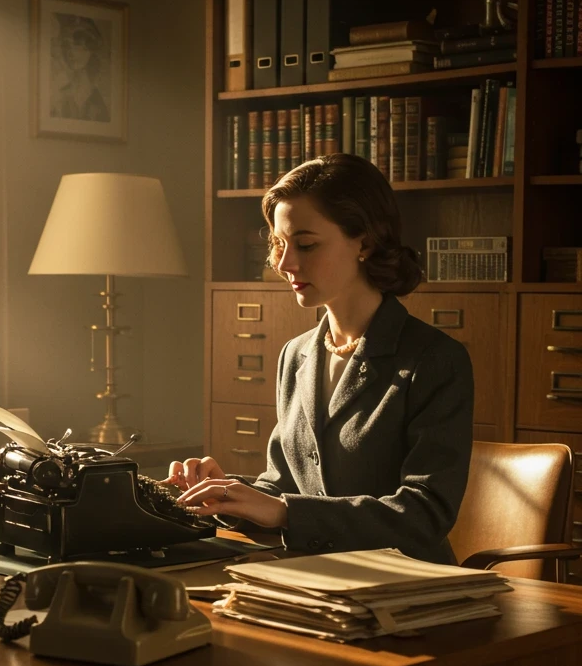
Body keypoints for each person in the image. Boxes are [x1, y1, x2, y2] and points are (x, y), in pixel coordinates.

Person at [168, 153, 474, 565]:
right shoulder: (296, 355)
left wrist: (283, 511)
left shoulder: (435, 360)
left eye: (306, 244)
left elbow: (424, 515)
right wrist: (228, 494)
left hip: (406, 588)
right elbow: (283, 488)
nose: (283, 263)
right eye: (279, 243)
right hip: (314, 579)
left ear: (364, 241)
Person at [50, 14, 110, 122]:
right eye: (66, 45)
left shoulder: (97, 99)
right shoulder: (59, 96)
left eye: (77, 44)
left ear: (90, 48)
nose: (70, 52)